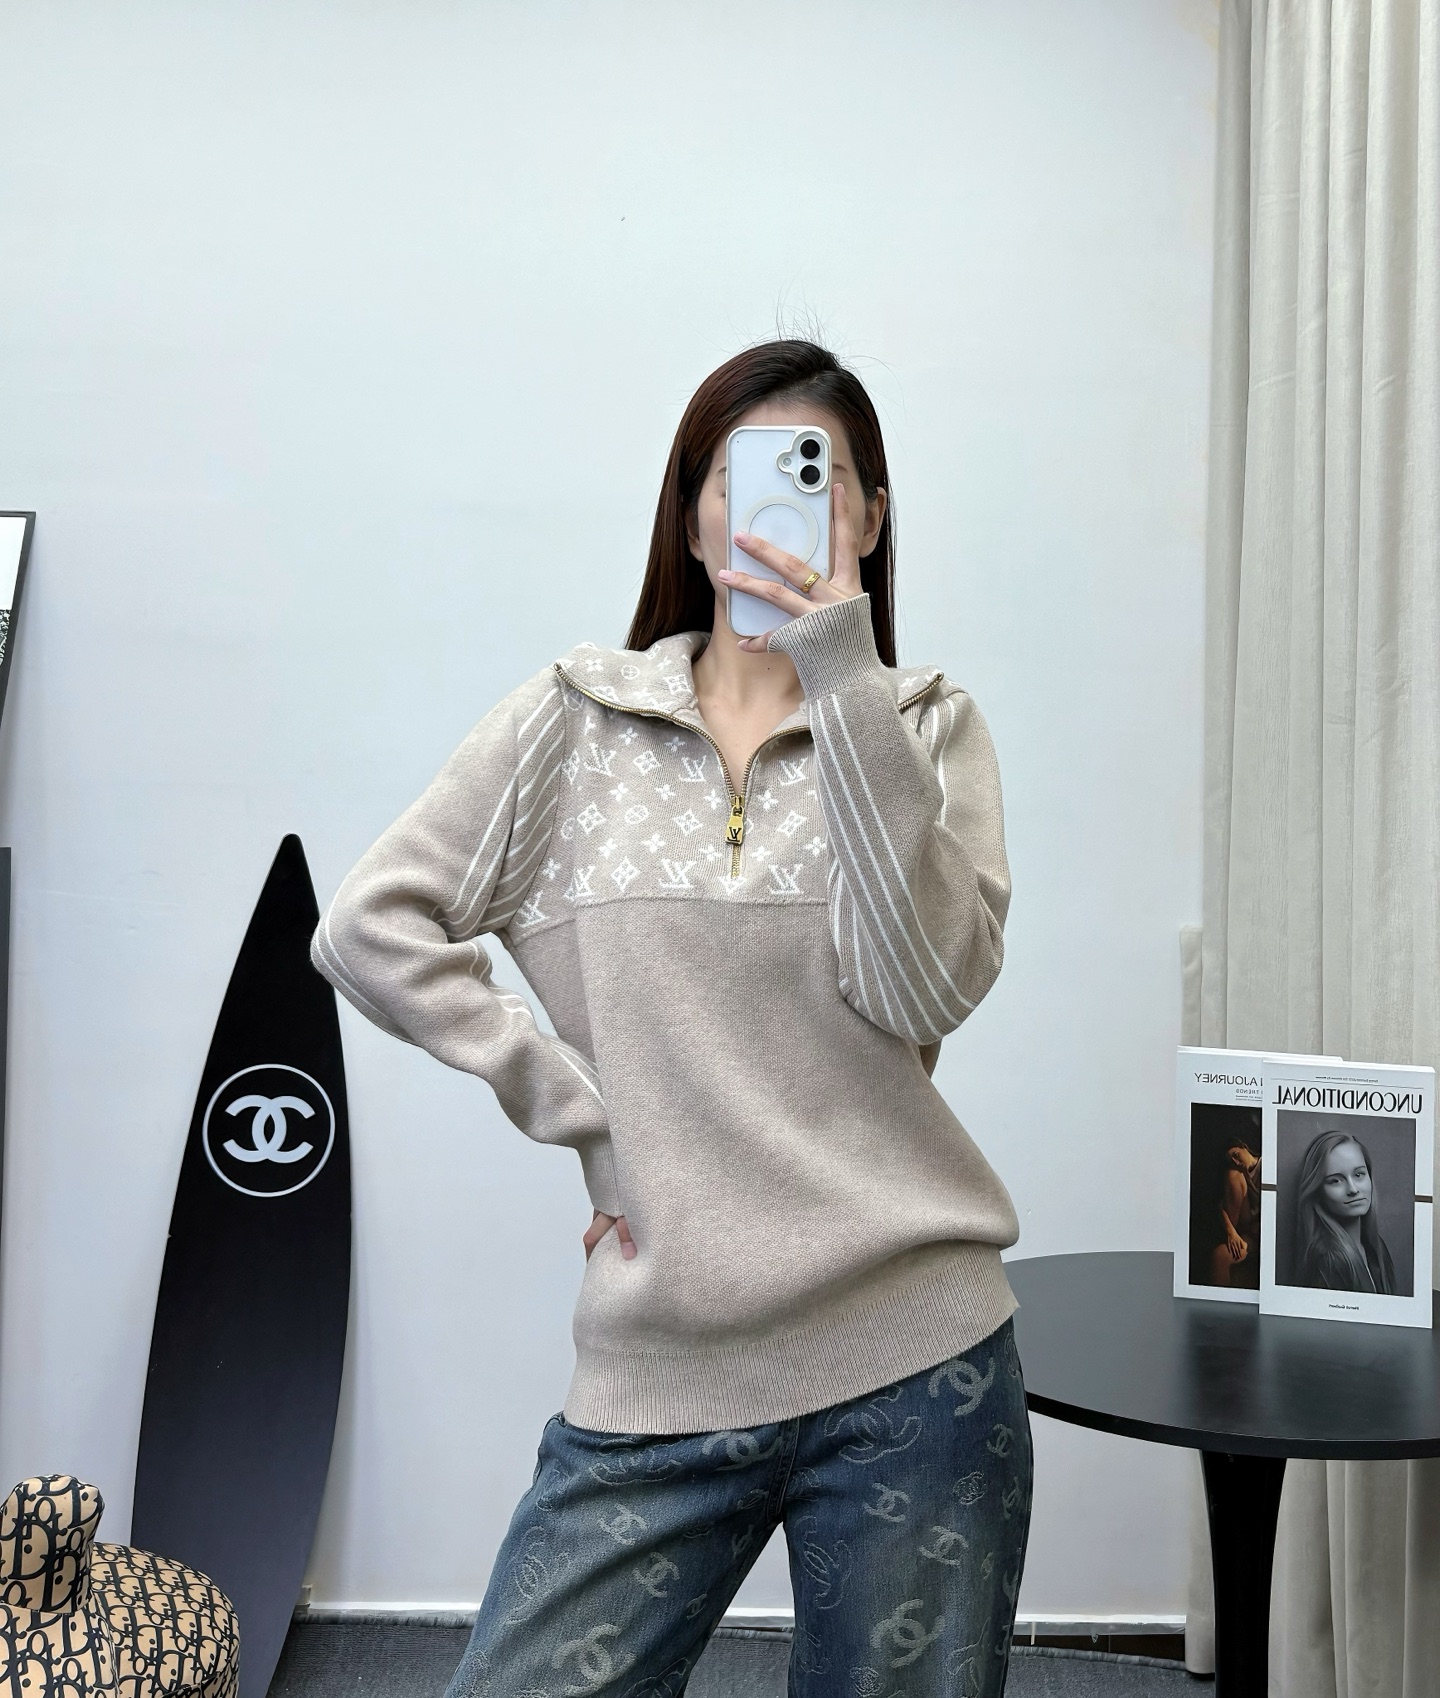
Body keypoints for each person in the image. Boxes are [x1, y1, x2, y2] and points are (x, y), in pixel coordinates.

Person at [311, 340, 1031, 1698]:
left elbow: (922, 988)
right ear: (693, 519)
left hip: (917, 1358)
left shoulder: (929, 728)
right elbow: (368, 926)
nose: (776, 512)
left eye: (820, 480)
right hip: (663, 1361)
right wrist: (581, 1113)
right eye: (738, 480)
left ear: (870, 518)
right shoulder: (572, 723)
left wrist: (843, 671)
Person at [1291, 1129, 1397, 1294]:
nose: (1353, 1189)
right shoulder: (1327, 1261)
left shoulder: (1376, 1248)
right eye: (1335, 1180)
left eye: (1359, 1174)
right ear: (1317, 1191)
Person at [1208, 1138, 1260, 1288]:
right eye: (1231, 1161)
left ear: (1244, 1147)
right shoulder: (1239, 1175)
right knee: (1232, 1175)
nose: (1236, 1162)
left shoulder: (1267, 1166)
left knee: (1220, 1255)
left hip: (1260, 1233)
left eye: (1236, 1155)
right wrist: (1231, 1232)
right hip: (1245, 1229)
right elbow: (1219, 1206)